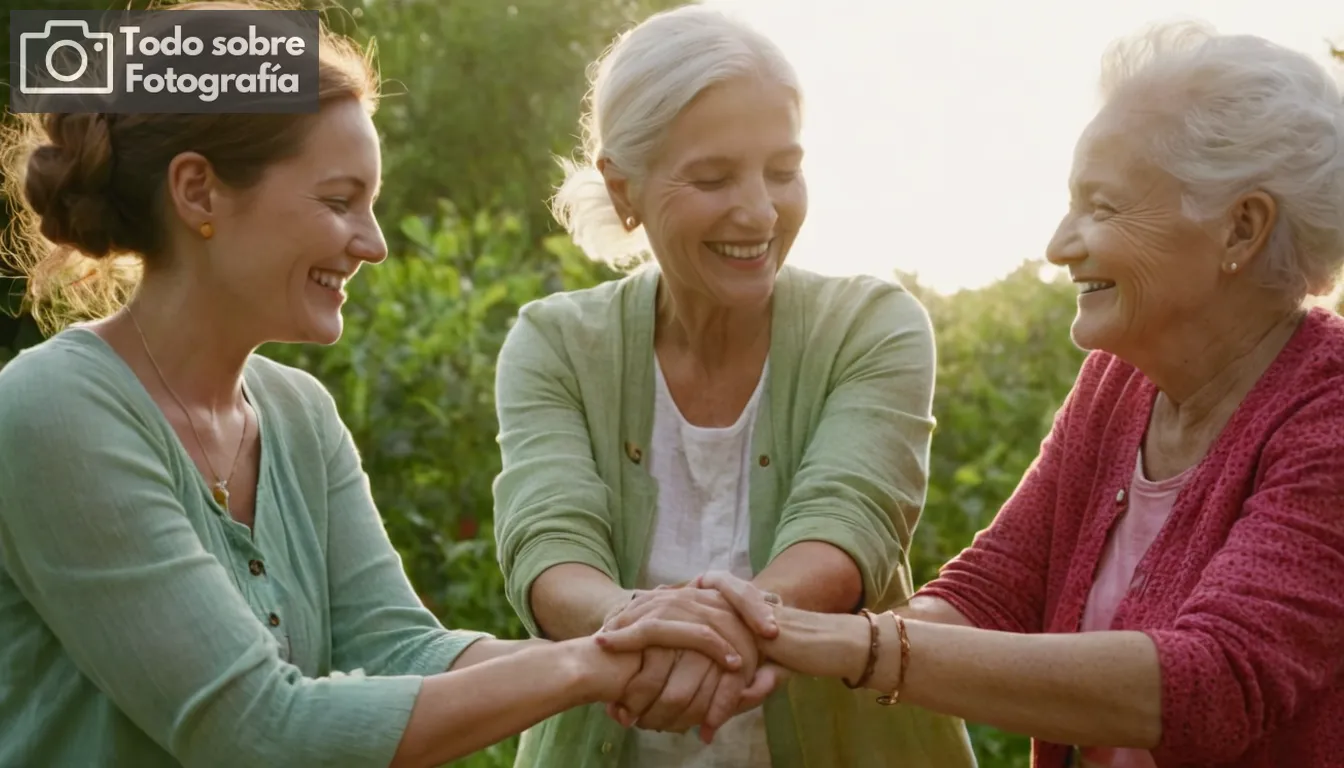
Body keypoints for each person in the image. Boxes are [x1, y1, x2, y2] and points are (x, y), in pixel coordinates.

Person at [0, 3, 749, 767]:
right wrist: (593, 664)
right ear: (198, 192)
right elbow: (257, 729)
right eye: (338, 201)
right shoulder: (53, 411)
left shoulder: (298, 415)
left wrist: (619, 644)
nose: (376, 243)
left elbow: (401, 647)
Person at [599, 21, 1344, 768]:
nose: (1060, 244)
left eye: (1103, 208)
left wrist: (836, 641)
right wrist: (757, 630)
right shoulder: (1120, 387)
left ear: (1241, 228)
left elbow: (1211, 682)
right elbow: (991, 591)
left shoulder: (1329, 413)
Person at [490, 5, 976, 767]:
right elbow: (550, 547)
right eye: (714, 177)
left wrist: (695, 634)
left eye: (783, 171)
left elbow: (847, 527)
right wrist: (639, 621)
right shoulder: (555, 342)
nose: (759, 210)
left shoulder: (872, 324)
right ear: (624, 190)